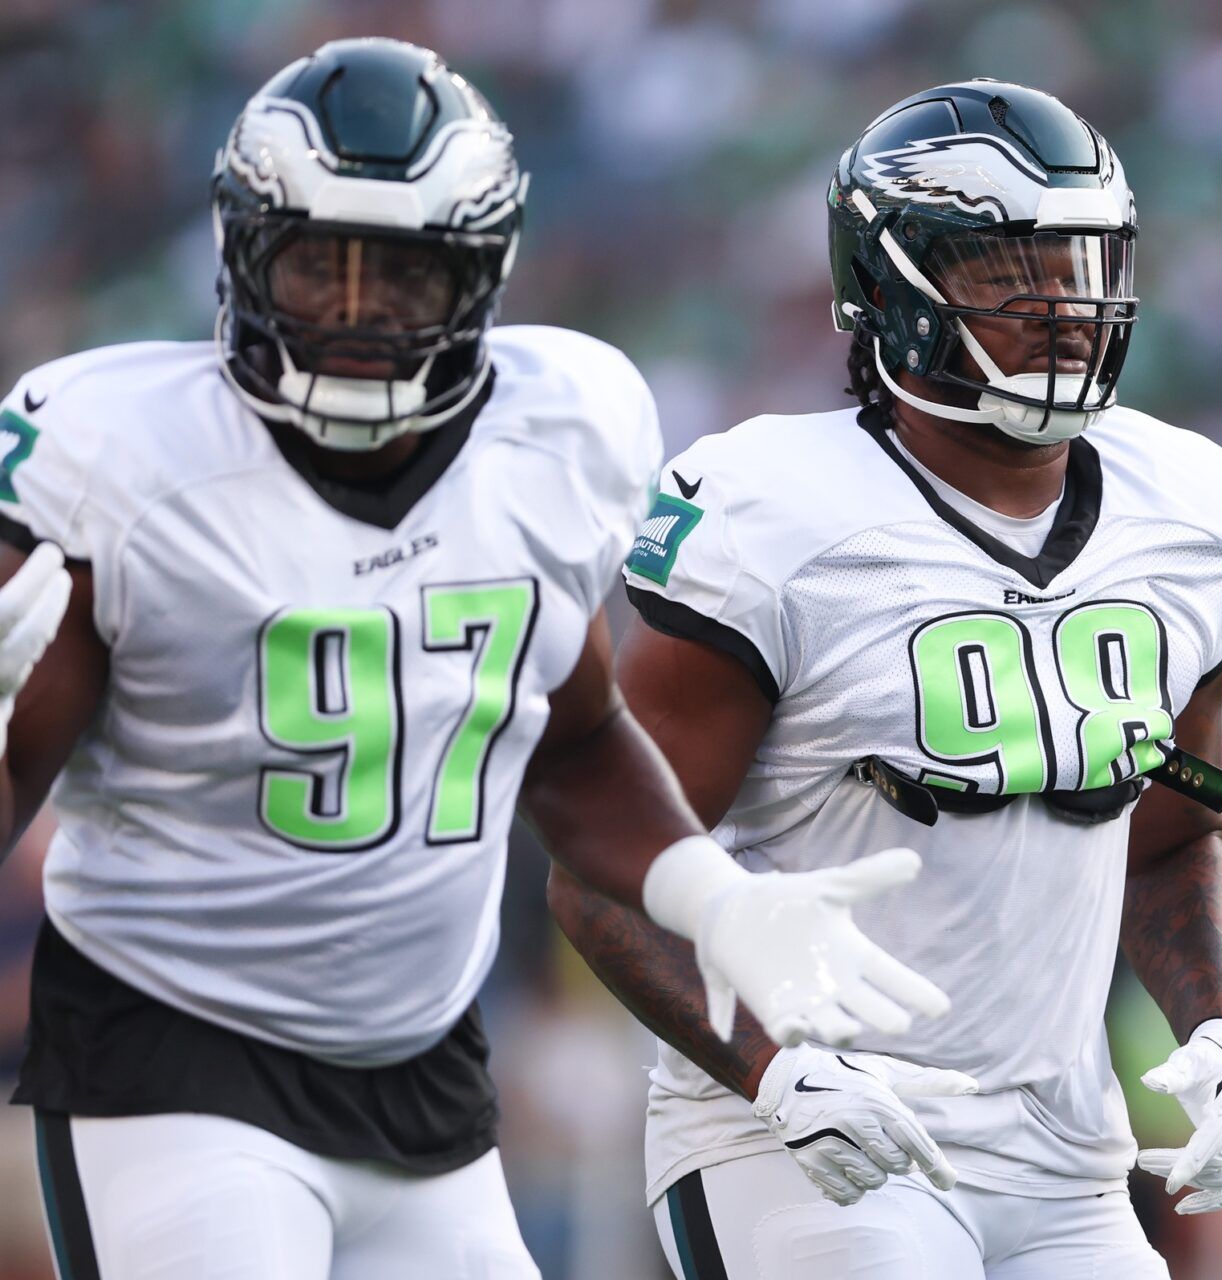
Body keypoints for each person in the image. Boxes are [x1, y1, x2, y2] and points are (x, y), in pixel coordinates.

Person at [0, 38, 943, 1277]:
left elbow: (577, 733)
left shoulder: (561, 429)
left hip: (427, 1070)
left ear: (482, 275)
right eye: (317, 266)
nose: (353, 313)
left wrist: (717, 898)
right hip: (171, 1048)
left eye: (398, 277)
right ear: (241, 257)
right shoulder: (121, 457)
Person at [546, 80, 1222, 1279]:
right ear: (892, 289)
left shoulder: (1192, 514)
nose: (1065, 309)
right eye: (1007, 270)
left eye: (1082, 262)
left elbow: (1175, 829)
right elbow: (602, 867)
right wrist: (777, 1068)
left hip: (1066, 1153)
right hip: (802, 1135)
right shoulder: (773, 515)